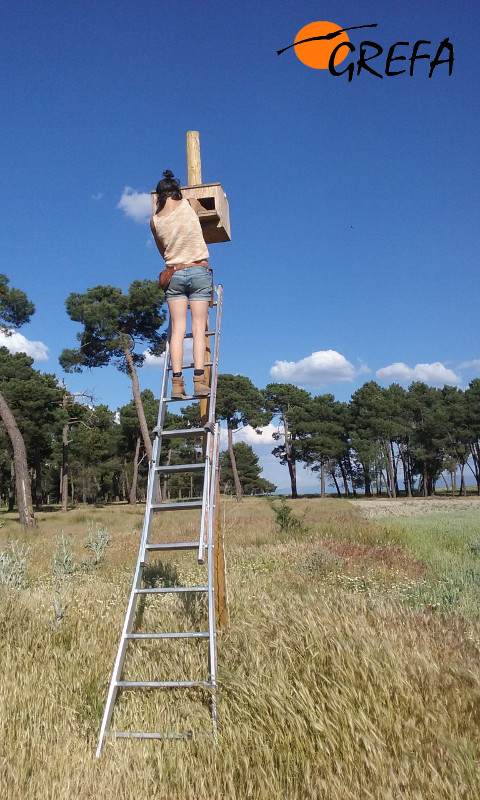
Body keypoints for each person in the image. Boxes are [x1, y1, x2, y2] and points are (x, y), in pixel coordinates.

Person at [150, 170, 213, 399]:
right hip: (198, 270)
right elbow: (209, 213)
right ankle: (199, 381)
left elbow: (163, 252)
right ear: (177, 191)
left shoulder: (154, 220)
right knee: (198, 328)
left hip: (174, 274)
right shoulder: (190, 204)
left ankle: (177, 384)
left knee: (177, 330)